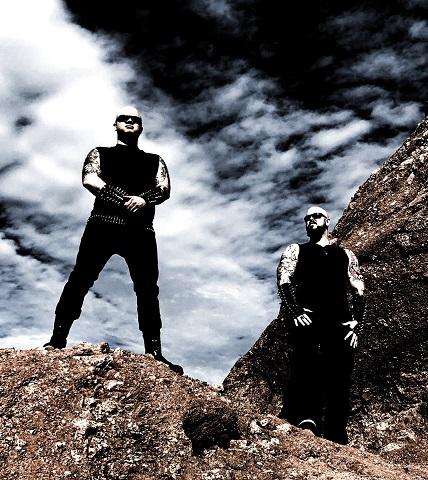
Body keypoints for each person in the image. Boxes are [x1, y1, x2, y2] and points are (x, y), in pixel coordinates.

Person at [44, 106, 183, 375]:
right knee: (80, 279)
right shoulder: (99, 153)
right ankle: (57, 339)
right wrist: (124, 199)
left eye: (135, 120)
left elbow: (164, 188)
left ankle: (155, 352)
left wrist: (144, 200)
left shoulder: (155, 160)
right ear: (115, 124)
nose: (130, 122)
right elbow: (89, 178)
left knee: (147, 289)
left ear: (141, 126)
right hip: (102, 226)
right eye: (124, 119)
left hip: (141, 231)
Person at [277, 206, 365, 444]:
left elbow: (358, 288)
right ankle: (306, 419)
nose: (310, 220)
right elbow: (284, 278)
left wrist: (357, 324)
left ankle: (337, 430)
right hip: (309, 317)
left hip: (339, 321)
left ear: (328, 220)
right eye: (307, 218)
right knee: (306, 365)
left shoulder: (346, 254)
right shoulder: (296, 250)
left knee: (340, 374)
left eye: (316, 216)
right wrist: (294, 310)